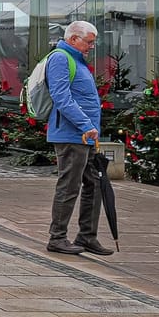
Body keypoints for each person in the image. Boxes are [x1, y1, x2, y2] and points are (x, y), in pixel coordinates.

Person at [44, 20, 108, 255]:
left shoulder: (77, 60)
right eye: (89, 42)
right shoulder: (61, 58)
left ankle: (87, 236)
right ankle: (57, 237)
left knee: (94, 183)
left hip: (86, 134)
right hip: (72, 135)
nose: (92, 46)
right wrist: (85, 125)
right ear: (73, 39)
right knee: (69, 185)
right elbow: (61, 97)